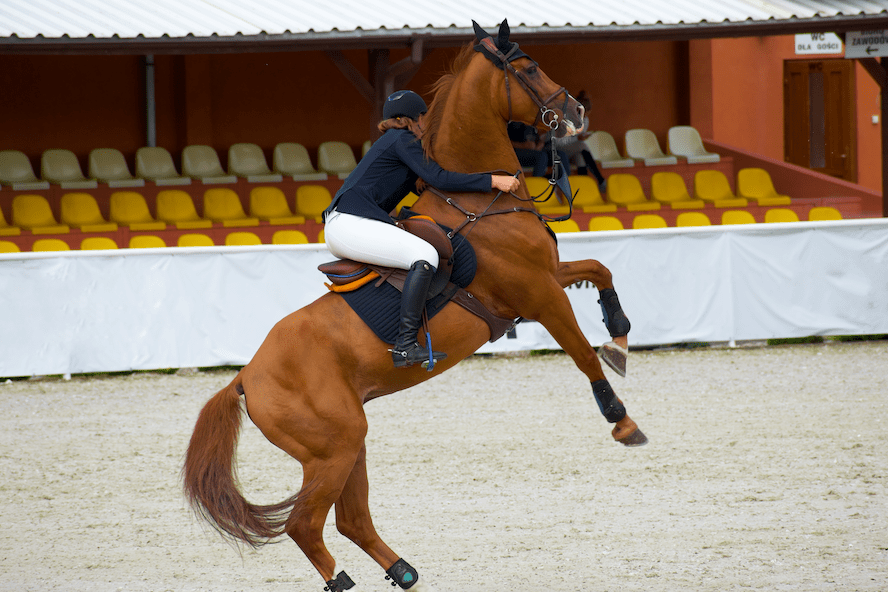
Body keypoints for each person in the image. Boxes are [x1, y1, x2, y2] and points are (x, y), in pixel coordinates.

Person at [323, 90, 520, 369]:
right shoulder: (402, 138)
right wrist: (493, 181)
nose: (428, 122)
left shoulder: (393, 140)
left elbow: (424, 178)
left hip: (349, 222)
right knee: (424, 256)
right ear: (413, 119)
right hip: (348, 224)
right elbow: (438, 176)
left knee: (419, 255)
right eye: (426, 117)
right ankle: (404, 346)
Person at [552, 90, 607, 191]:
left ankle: (583, 188)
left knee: (580, 158)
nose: (583, 117)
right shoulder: (565, 119)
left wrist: (580, 137)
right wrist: (577, 138)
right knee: (582, 146)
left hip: (573, 150)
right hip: (558, 149)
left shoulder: (585, 120)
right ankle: (600, 179)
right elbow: (558, 141)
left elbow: (578, 138)